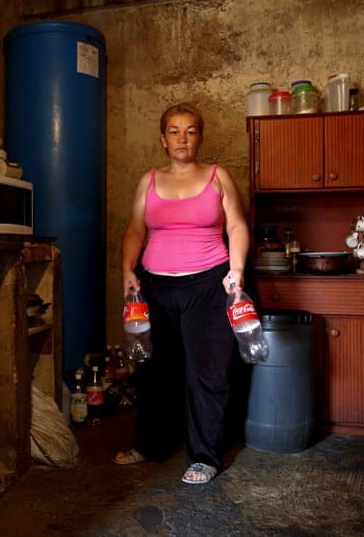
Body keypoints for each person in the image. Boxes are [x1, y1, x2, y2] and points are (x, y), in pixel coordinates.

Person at [113, 101, 249, 485]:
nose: (182, 138)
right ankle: (151, 446)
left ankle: (205, 456)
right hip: (155, 286)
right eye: (174, 131)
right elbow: (135, 230)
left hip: (209, 284)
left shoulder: (218, 176)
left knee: (208, 371)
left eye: (190, 130)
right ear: (163, 138)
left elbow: (237, 226)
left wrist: (236, 271)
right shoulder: (149, 180)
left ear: (200, 137)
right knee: (154, 369)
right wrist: (126, 269)